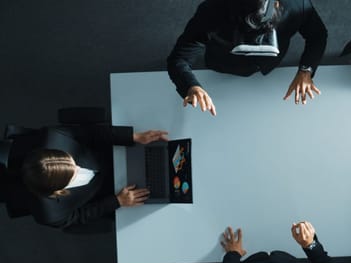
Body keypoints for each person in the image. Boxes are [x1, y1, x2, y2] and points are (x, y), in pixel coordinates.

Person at [167, 0, 328, 115]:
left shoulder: (297, 5)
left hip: (270, 68)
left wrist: (306, 70)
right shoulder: (212, 11)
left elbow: (318, 35)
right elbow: (179, 59)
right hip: (223, 64)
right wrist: (191, 86)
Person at [17, 125, 169, 229]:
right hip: (105, 193)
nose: (78, 168)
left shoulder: (54, 137)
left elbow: (89, 133)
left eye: (73, 163)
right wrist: (117, 201)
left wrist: (133, 136)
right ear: (58, 191)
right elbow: (80, 216)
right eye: (73, 174)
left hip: (107, 155)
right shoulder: (49, 213)